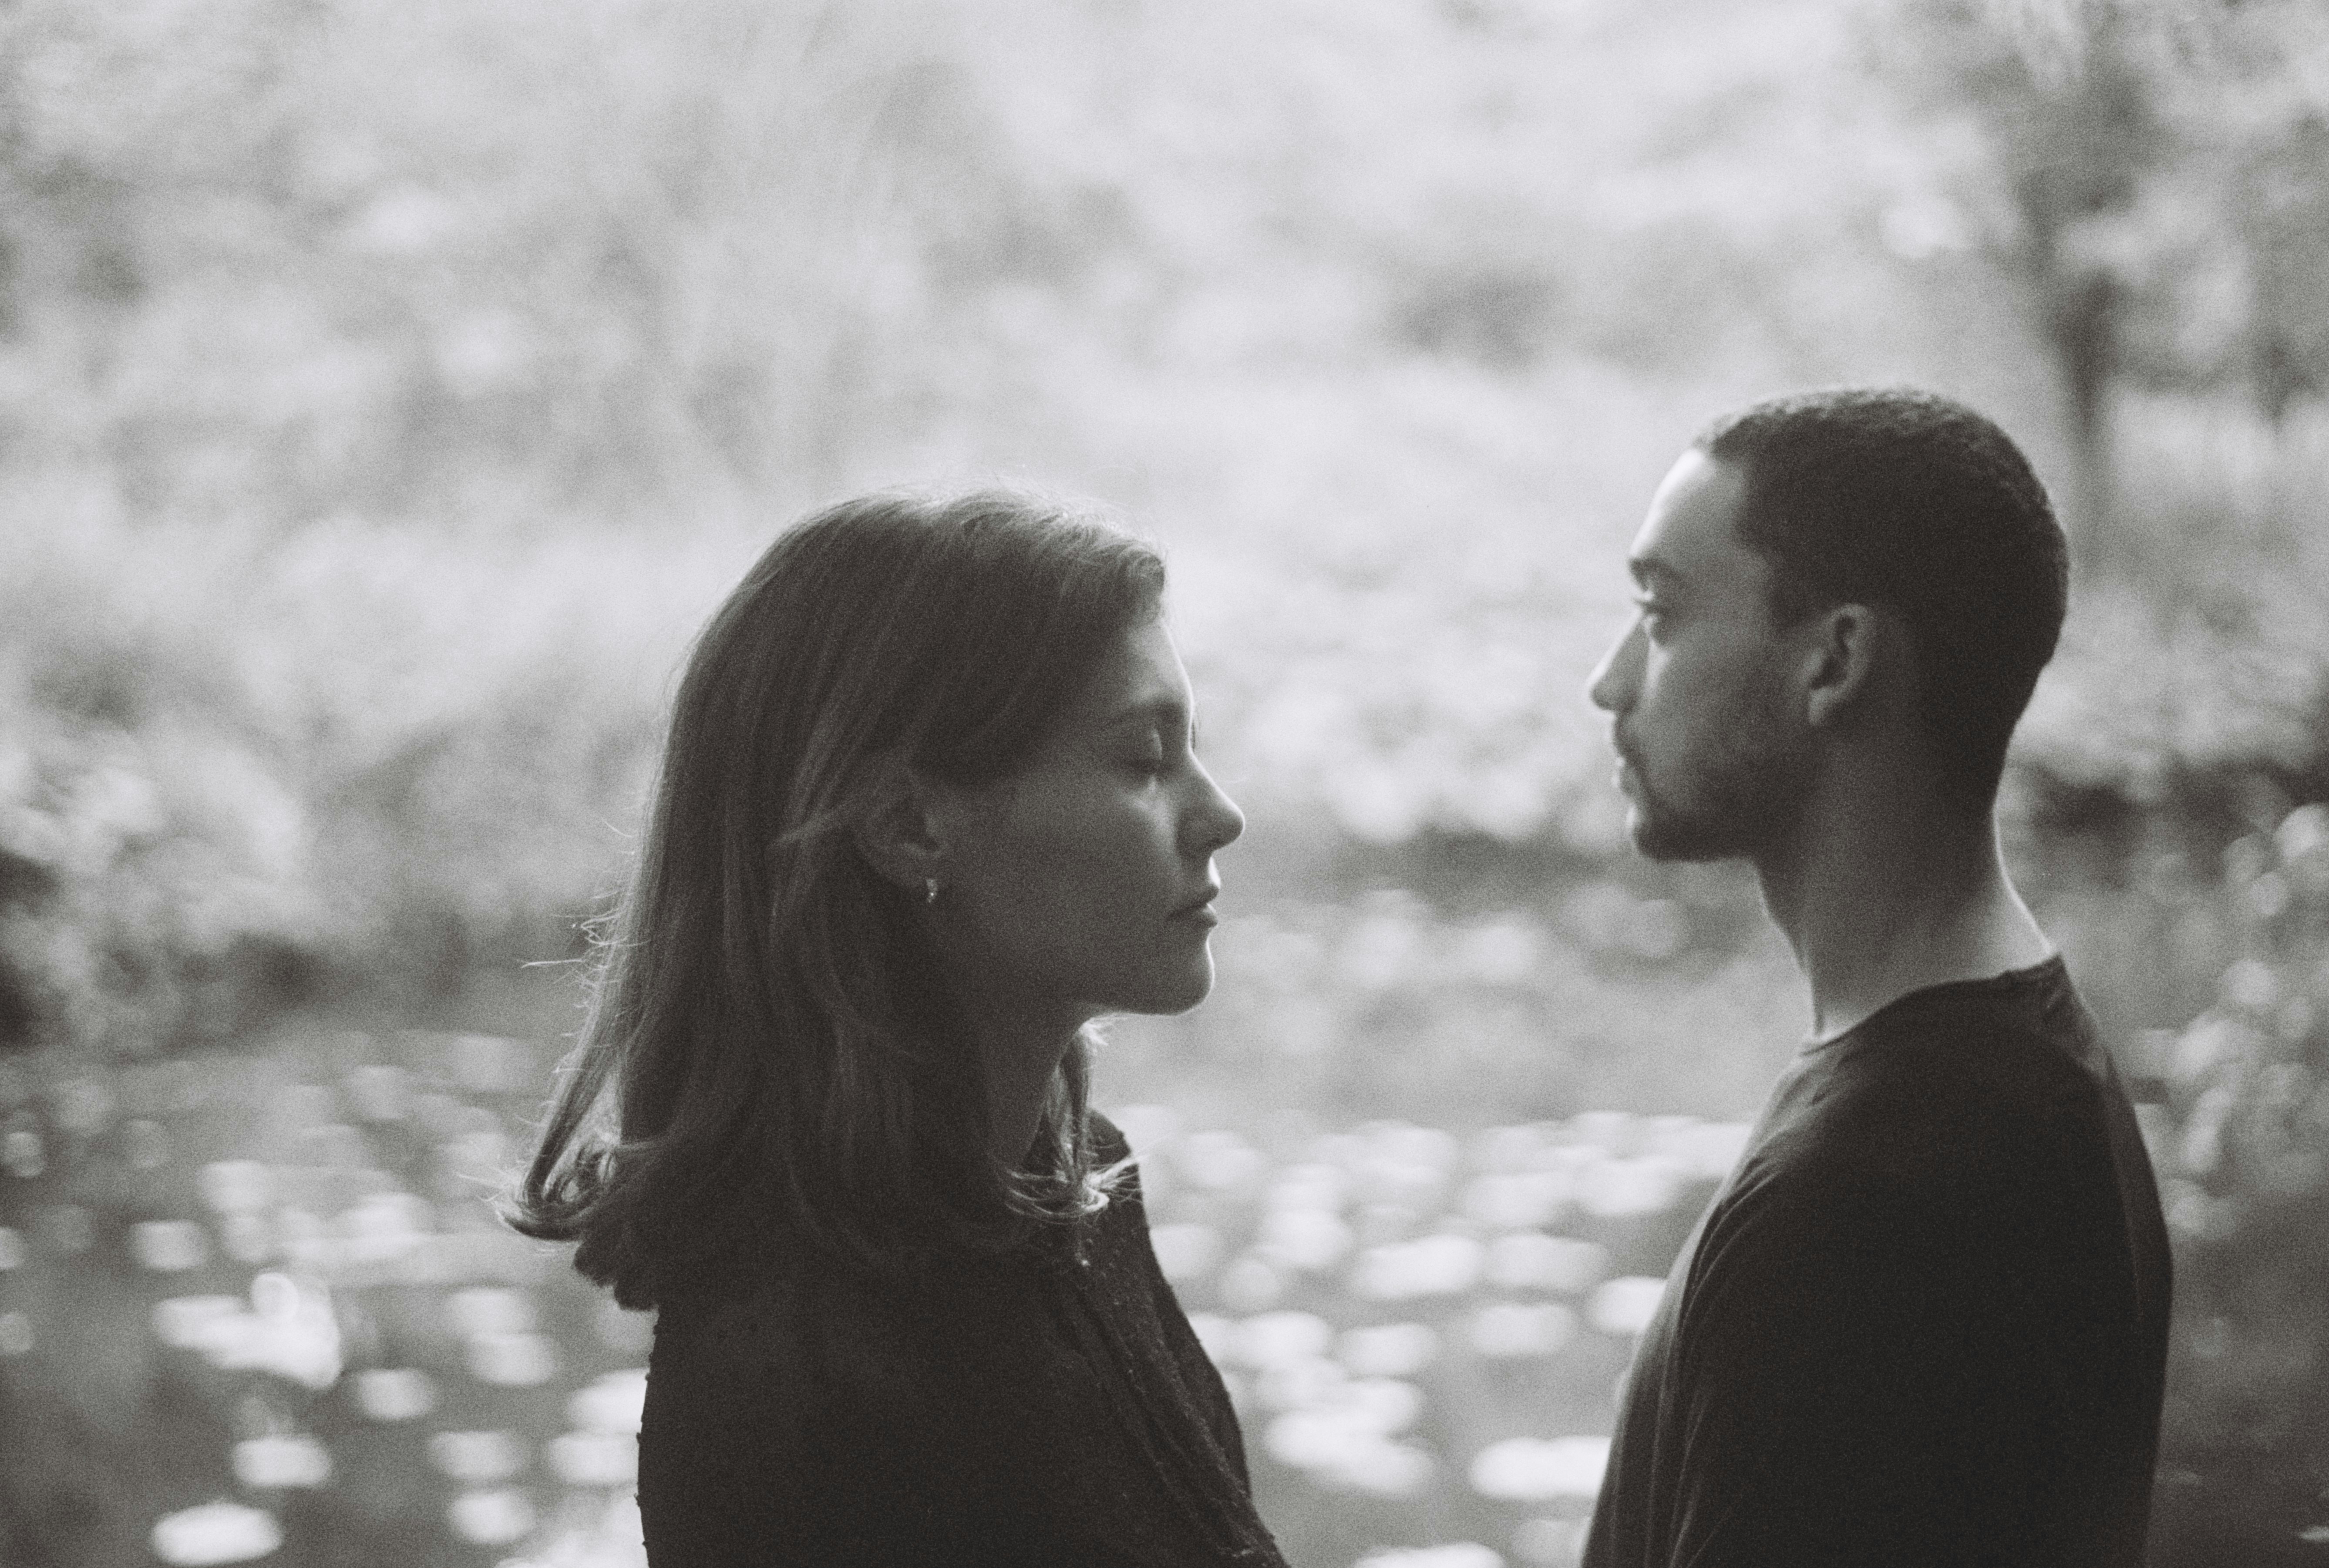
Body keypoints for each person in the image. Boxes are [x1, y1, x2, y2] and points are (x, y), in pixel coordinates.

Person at [509, 491, 1286, 1568]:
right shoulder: (794, 1377)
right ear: (908, 825)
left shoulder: (1077, 1188)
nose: (1220, 814)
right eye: (1142, 759)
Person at [1579, 388, 2172, 1566]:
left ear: (1834, 660)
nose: (1609, 682)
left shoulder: (1862, 1211)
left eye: (1659, 612)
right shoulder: (2025, 1065)